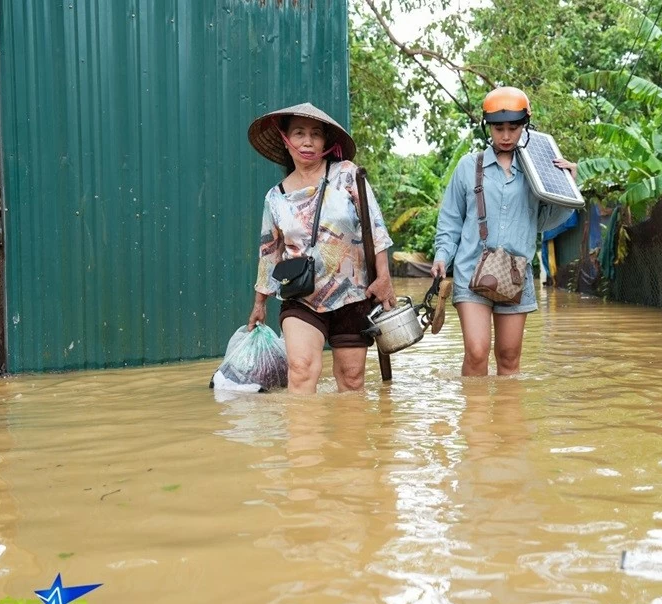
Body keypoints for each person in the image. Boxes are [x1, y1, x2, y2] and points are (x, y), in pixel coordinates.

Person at [246, 103, 396, 394]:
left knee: (352, 381)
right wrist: (259, 303)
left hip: (353, 295)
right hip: (301, 297)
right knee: (300, 370)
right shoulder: (274, 198)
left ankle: (347, 441)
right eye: (299, 133)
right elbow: (269, 253)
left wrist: (384, 277)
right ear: (286, 140)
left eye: (316, 134)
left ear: (326, 142)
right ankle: (304, 440)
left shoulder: (348, 175)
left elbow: (374, 227)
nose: (308, 141)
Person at [431, 87, 576, 377]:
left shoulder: (539, 170)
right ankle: (475, 421)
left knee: (509, 358)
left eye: (514, 127)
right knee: (476, 351)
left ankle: (508, 422)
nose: (507, 135)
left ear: (525, 126)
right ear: (488, 127)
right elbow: (450, 221)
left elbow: (544, 221)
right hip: (471, 271)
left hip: (515, 275)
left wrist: (568, 186)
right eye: (499, 128)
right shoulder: (468, 166)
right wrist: (442, 256)